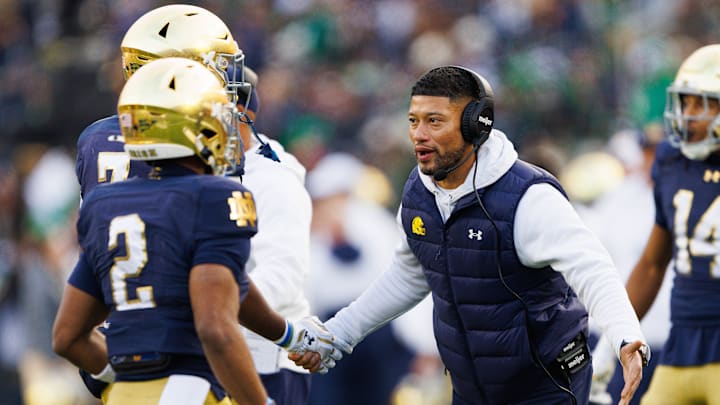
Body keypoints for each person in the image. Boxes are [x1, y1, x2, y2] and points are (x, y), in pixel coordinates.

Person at [293, 65, 650, 405]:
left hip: (544, 386)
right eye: (414, 121)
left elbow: (592, 267)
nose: (419, 134)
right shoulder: (419, 191)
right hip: (471, 388)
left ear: (474, 125)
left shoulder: (529, 197)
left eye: (434, 121)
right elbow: (409, 276)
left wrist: (624, 334)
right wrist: (338, 333)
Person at [51, 58, 335, 405]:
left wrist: (118, 377)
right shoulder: (217, 196)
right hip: (192, 388)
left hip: (124, 393)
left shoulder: (105, 203)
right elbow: (216, 327)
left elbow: (67, 337)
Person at [618, 44, 720, 405]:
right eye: (686, 103)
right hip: (681, 348)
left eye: (703, 104)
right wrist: (616, 338)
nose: (689, 115)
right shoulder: (673, 162)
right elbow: (652, 263)